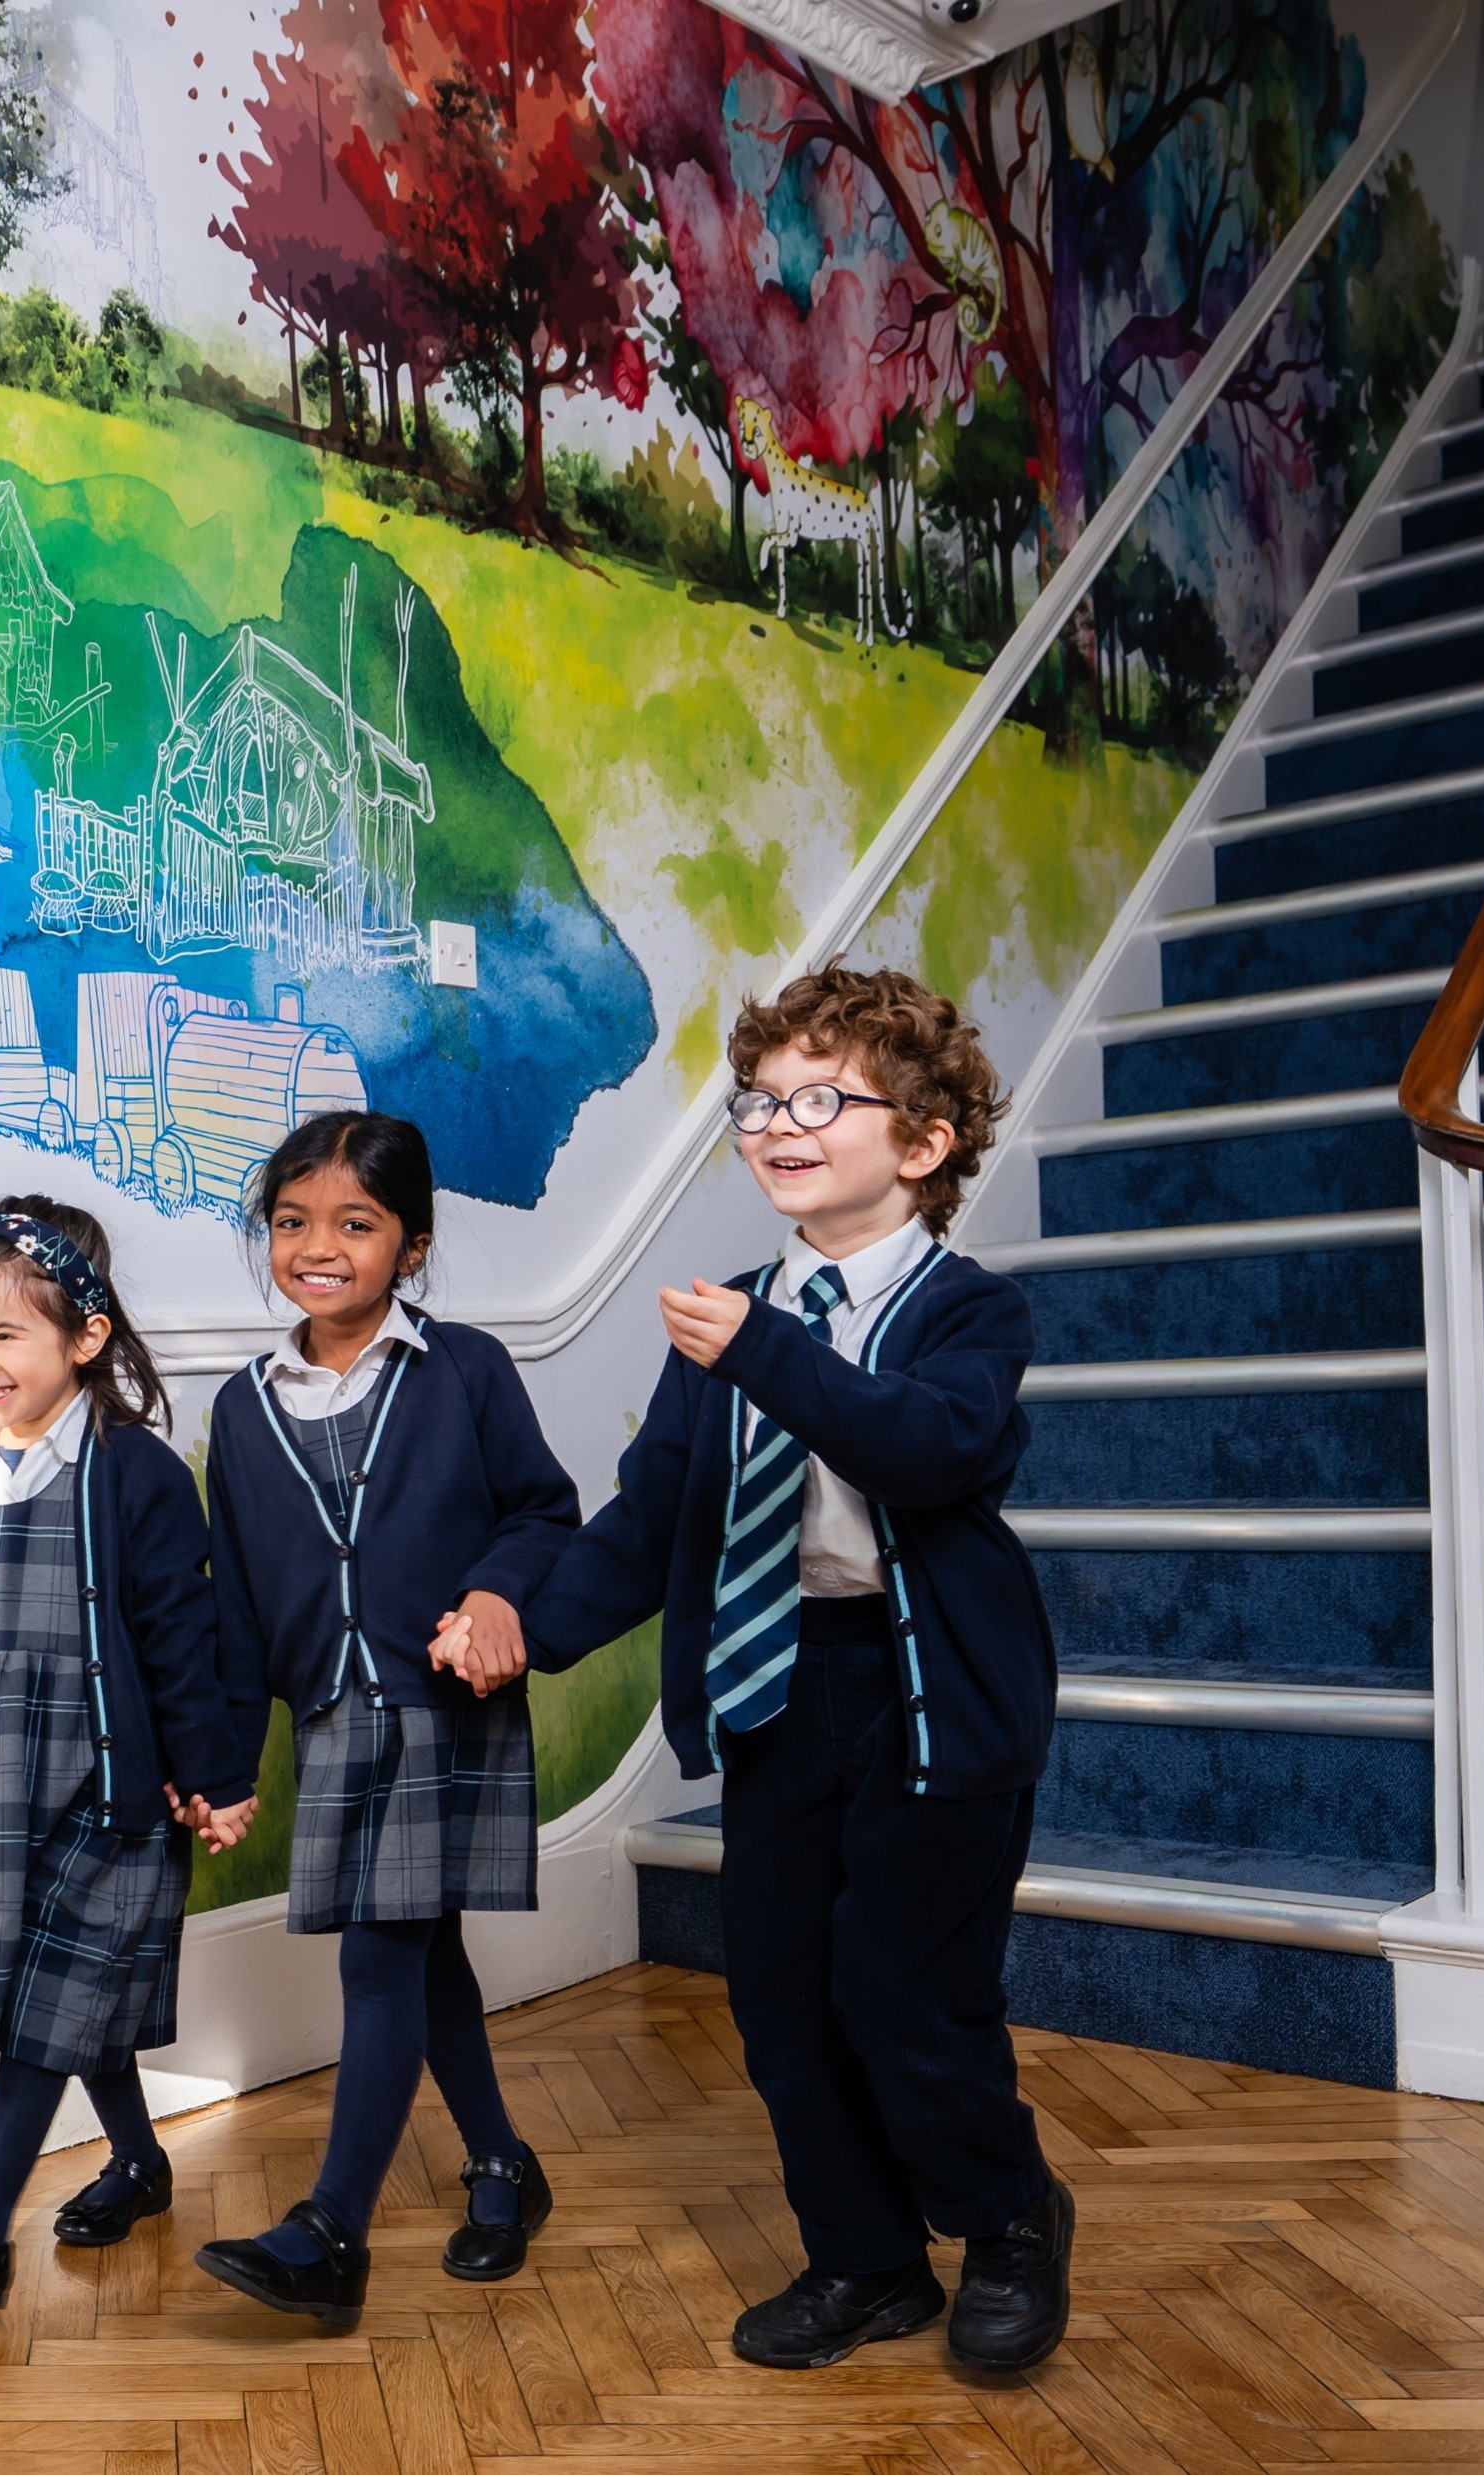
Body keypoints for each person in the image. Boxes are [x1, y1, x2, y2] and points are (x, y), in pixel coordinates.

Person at [438, 964, 1071, 2373]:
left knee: (908, 1994)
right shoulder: (733, 1316)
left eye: (822, 1096)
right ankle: (866, 2257)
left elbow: (929, 1448)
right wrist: (526, 1629)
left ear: (920, 1142)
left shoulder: (970, 1313)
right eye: (762, 1099)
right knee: (783, 2001)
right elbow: (653, 1517)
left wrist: (768, 1349)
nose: (780, 1120)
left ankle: (1012, 2217)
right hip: (780, 1682)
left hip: (936, 1698)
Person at [188, 1113, 584, 2329]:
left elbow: (544, 1512)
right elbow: (238, 1604)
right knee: (423, 1955)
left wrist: (490, 1591)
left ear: (409, 1247)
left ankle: (329, 2233)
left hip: (439, 1708)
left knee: (379, 1956)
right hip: (331, 1721)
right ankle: (505, 2165)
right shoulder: (243, 1410)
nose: (320, 1246)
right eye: (292, 1222)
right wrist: (220, 1761)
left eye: (354, 1224)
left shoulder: (464, 1370)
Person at [0, 1196, 260, 2308]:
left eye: (3, 1336)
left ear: (82, 1338)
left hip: (105, 1776)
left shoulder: (132, 1471)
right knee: (65, 1991)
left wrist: (216, 1777)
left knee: (50, 1995)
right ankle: (136, 2159)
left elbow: (184, 1636)